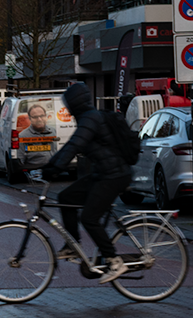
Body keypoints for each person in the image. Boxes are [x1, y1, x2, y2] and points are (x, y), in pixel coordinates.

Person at [40, 82, 131, 283]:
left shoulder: (90, 119)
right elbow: (69, 146)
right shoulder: (87, 117)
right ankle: (72, 246)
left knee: (89, 218)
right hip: (103, 173)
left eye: (68, 105)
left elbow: (75, 145)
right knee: (66, 197)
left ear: (74, 104)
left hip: (115, 175)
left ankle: (115, 261)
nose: (68, 110)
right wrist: (51, 164)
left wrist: (54, 169)